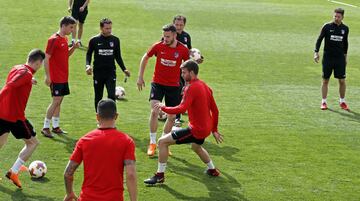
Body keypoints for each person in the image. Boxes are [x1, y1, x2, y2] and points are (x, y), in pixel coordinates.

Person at [144, 60, 223, 185]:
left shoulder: (191, 88)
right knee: (196, 147)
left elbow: (181, 108)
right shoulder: (205, 86)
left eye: (184, 72)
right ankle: (213, 170)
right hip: (206, 128)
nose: (181, 74)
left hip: (196, 130)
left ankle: (159, 176)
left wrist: (163, 107)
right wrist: (214, 130)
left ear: (191, 72)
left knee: (162, 142)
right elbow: (215, 110)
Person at [63, 99, 137, 201]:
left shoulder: (84, 140)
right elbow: (131, 174)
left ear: (97, 116)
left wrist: (69, 193)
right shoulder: (126, 141)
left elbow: (68, 172)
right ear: (116, 116)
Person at [137, 24, 189, 156]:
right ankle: (153, 142)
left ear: (174, 35)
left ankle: (163, 141)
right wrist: (140, 77)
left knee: (171, 117)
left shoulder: (183, 49)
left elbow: (188, 68)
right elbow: (145, 57)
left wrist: (187, 85)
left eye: (168, 36)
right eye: (164, 36)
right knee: (154, 111)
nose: (165, 39)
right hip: (158, 84)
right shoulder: (158, 46)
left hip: (174, 86)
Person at [0, 49, 45, 188]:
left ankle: (13, 171)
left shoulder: (18, 68)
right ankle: (13, 172)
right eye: (42, 63)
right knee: (33, 143)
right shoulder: (25, 73)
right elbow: (11, 85)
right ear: (38, 62)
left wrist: (29, 79)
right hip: (15, 117)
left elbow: (18, 78)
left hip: (2, 113)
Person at [41, 16, 80, 138]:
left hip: (63, 77)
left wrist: (73, 47)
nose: (72, 30)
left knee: (59, 101)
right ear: (63, 26)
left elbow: (65, 55)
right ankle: (45, 127)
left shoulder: (64, 39)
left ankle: (56, 126)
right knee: (56, 101)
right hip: (55, 77)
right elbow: (46, 58)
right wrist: (48, 76)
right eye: (71, 27)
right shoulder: (53, 39)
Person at [86, 18, 131, 111]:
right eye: (107, 28)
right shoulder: (94, 40)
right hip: (98, 73)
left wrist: (124, 69)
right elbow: (89, 54)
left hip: (110, 72)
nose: (109, 30)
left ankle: (112, 117)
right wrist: (88, 65)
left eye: (110, 28)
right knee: (98, 96)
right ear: (101, 28)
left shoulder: (115, 40)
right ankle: (98, 118)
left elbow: (118, 56)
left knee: (111, 95)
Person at [314, 8, 349, 110]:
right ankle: (323, 102)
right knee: (325, 80)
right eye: (335, 16)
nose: (336, 18)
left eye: (338, 17)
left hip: (339, 59)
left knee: (342, 81)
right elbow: (319, 39)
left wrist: (345, 57)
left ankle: (342, 101)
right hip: (328, 58)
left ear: (342, 17)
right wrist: (316, 52)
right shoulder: (327, 26)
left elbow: (345, 43)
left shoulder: (345, 29)